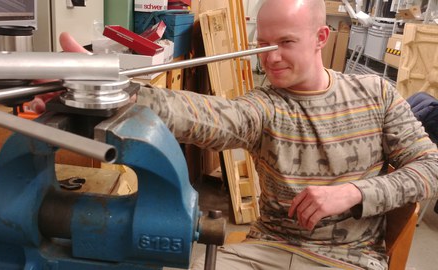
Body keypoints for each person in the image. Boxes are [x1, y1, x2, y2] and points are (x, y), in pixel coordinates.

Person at [56, 0, 438, 269]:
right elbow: (206, 115)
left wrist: (355, 192)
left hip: (348, 259)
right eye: (263, 45)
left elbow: (431, 167)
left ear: (321, 36)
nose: (270, 58)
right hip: (265, 250)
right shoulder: (264, 106)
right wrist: (111, 93)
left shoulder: (377, 94)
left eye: (285, 42)